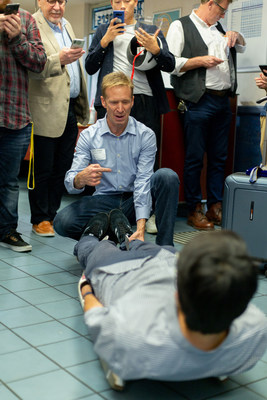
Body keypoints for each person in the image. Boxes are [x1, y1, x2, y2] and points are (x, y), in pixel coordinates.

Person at [76, 214, 267, 390]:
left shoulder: (130, 336)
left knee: (93, 248)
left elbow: (95, 316)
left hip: (117, 270)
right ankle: (127, 236)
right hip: (163, 259)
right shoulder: (256, 329)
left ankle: (93, 234)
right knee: (141, 244)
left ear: (177, 295)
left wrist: (85, 288)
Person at [53, 71, 179, 246]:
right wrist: (80, 179)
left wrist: (141, 228)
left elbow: (143, 182)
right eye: (114, 102)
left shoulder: (145, 135)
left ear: (132, 101)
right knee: (62, 221)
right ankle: (110, 236)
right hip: (103, 200)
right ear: (104, 102)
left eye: (125, 102)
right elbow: (70, 183)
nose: (120, 109)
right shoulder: (89, 135)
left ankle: (165, 247)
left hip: (134, 198)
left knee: (167, 176)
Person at [166, 0, 246, 230]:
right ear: (210, 3)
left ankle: (214, 205)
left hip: (223, 101)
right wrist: (199, 61)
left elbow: (240, 46)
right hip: (197, 100)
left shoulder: (219, 29)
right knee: (194, 159)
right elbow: (170, 63)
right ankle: (194, 209)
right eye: (221, 10)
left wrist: (236, 35)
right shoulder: (181, 26)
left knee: (219, 158)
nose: (222, 15)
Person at [85, 0, 175, 172]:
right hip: (112, 104)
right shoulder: (103, 30)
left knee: (146, 157)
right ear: (112, 3)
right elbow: (90, 67)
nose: (122, 6)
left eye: (127, 1)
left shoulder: (150, 31)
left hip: (145, 102)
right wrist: (104, 41)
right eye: (117, 1)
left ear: (136, 2)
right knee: (109, 157)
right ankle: (109, 198)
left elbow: (170, 65)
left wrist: (155, 50)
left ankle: (145, 198)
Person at [28, 0, 89, 237]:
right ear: (39, 2)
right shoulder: (31, 24)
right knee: (43, 168)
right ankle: (39, 218)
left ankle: (51, 215)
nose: (57, 6)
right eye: (51, 0)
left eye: (62, 1)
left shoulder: (67, 25)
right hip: (44, 108)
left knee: (62, 167)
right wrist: (58, 60)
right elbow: (30, 66)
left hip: (70, 108)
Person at [0, 1, 46, 252]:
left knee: (8, 182)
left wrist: (18, 37)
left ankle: (7, 231)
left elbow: (39, 62)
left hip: (15, 116)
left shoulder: (26, 19)